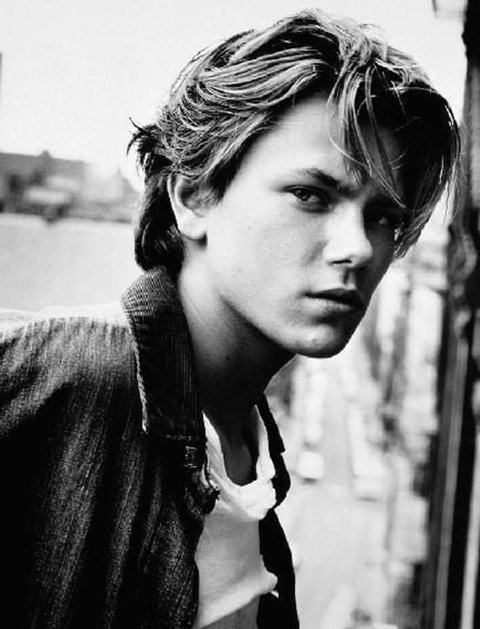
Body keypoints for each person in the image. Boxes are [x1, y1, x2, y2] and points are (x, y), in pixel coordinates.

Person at [0, 8, 460, 629]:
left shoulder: (252, 462)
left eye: (382, 217)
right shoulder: (73, 377)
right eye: (311, 195)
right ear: (193, 195)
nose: (357, 247)